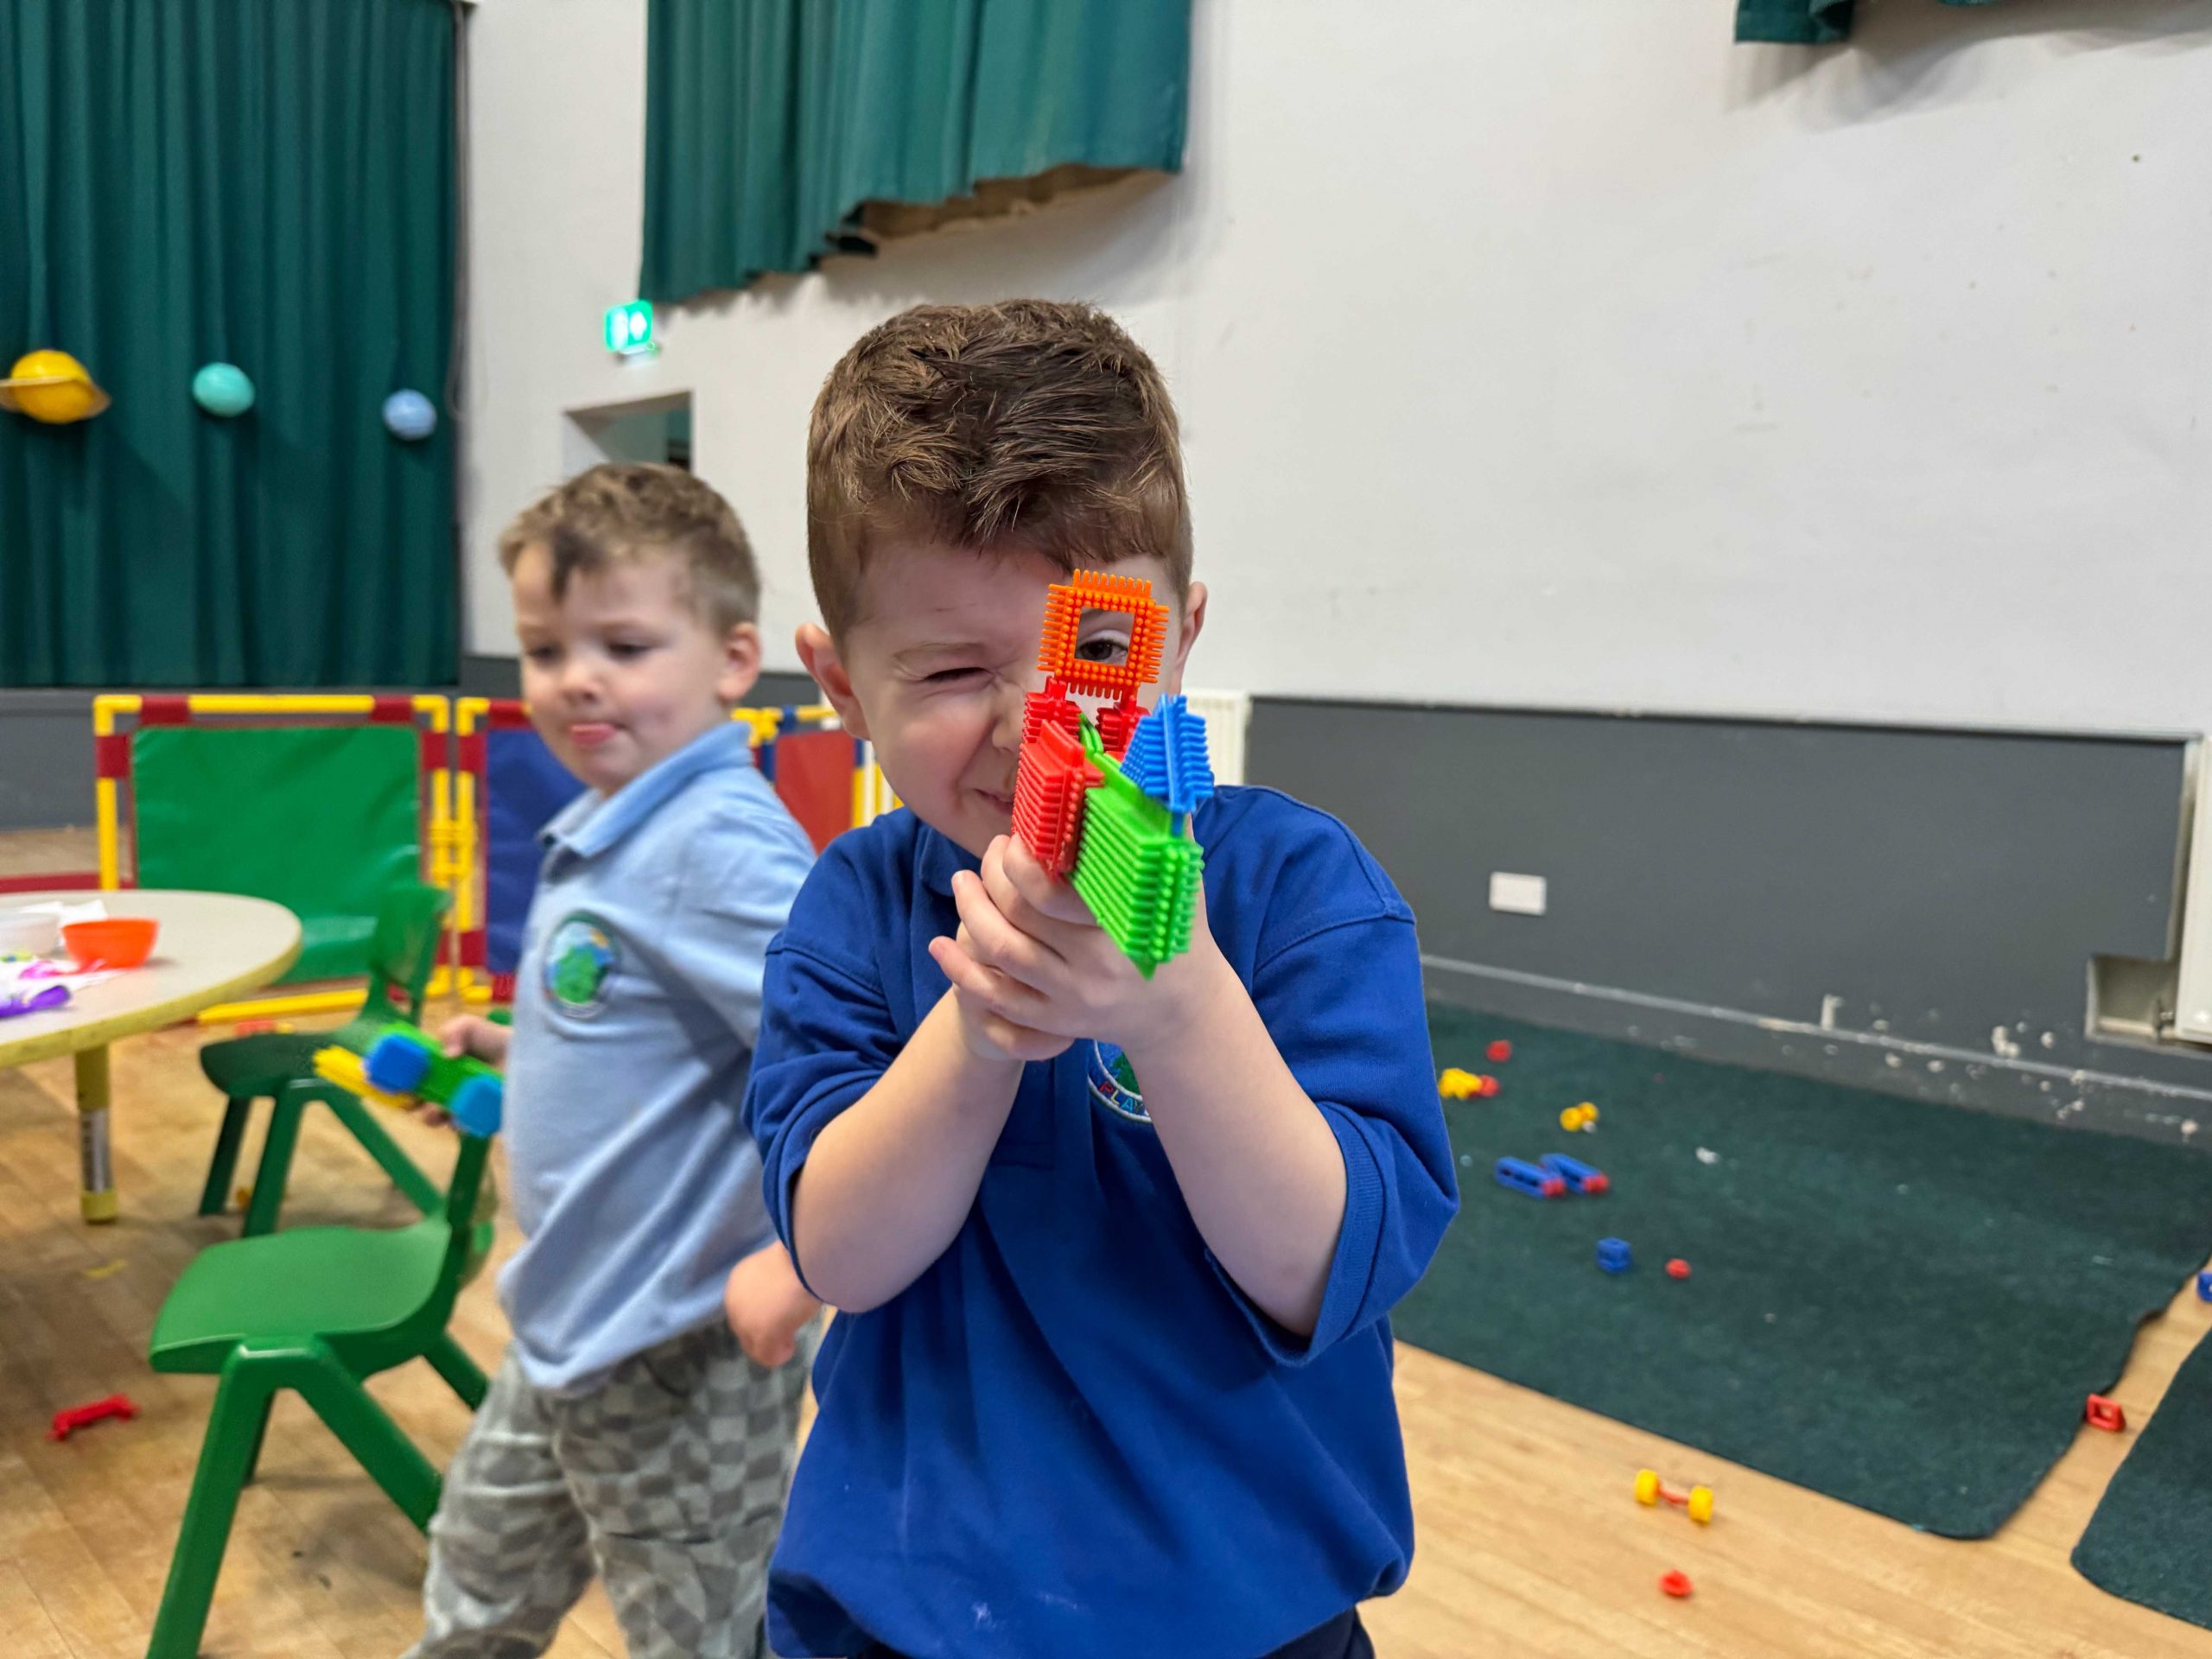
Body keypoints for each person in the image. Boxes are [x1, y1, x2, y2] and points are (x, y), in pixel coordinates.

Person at [746, 302, 1460, 1659]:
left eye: (1098, 658)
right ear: (840, 683)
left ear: (1182, 638)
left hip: (1248, 1616)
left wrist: (1178, 1005)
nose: (1041, 732)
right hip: (905, 1615)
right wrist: (982, 1025)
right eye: (955, 670)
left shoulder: (1301, 891)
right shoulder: (851, 911)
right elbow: (841, 1253)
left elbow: (1324, 1269)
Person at [407, 462, 822, 1659]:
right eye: (544, 650)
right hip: (567, 1321)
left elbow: (857, 1060)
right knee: (477, 1578)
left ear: (733, 660)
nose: (576, 678)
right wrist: (517, 1051)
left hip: (680, 1348)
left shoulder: (716, 840)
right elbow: (654, 1033)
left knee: (703, 1634)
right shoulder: (619, 815)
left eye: (625, 646)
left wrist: (809, 1260)